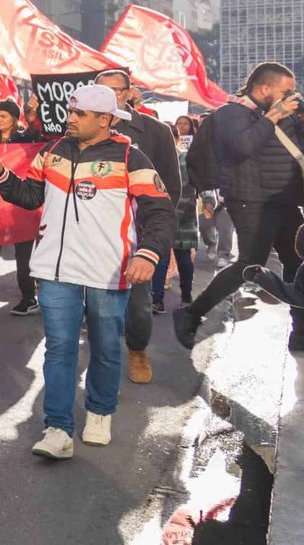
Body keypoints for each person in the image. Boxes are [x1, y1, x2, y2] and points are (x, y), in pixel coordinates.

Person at [0, 84, 171, 460]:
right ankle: (58, 428)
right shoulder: (52, 151)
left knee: (105, 346)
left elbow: (160, 211)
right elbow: (31, 196)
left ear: (104, 120)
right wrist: (2, 176)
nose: (70, 118)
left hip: (109, 272)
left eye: (79, 114)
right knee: (59, 348)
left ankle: (100, 413)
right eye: (70, 111)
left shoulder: (131, 157)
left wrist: (149, 254)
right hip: (55, 271)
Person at [175, 62, 304, 351]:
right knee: (250, 263)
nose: (291, 97)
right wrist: (274, 115)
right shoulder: (231, 113)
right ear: (265, 88)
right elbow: (243, 146)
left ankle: (300, 331)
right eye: (286, 91)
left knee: (297, 263)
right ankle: (191, 313)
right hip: (250, 199)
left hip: (283, 199)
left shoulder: (284, 116)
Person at [93, 69, 182, 385]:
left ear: (129, 93)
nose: (110, 96)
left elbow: (170, 186)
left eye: (116, 90)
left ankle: (137, 350)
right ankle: (99, 355)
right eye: (102, 90)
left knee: (139, 304)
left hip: (136, 235)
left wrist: (154, 232)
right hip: (92, 231)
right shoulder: (83, 127)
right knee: (93, 302)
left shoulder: (155, 131)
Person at [0, 99, 43, 314]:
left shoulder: (26, 139)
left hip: (20, 207)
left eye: (3, 116)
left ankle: (28, 297)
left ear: (14, 118)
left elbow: (41, 138)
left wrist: (33, 119)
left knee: (24, 259)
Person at [152, 133, 199, 315]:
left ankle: (186, 297)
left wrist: (209, 200)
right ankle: (157, 300)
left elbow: (197, 182)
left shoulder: (185, 159)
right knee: (162, 257)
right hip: (164, 212)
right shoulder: (156, 158)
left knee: (183, 258)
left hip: (182, 213)